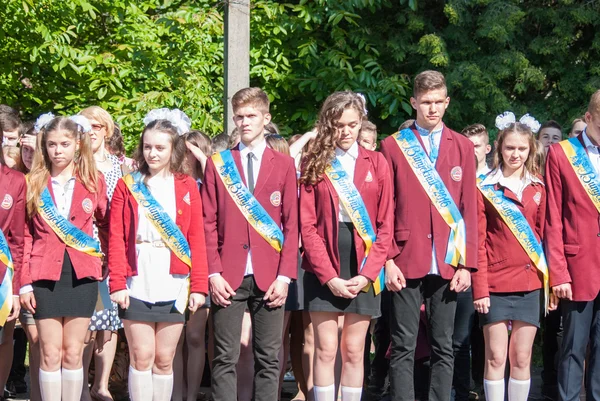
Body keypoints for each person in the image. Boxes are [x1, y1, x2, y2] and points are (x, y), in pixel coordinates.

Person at [380, 70, 477, 401]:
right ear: (413, 102)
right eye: (426, 103)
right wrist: (388, 259)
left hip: (449, 260)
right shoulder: (392, 146)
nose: (432, 109)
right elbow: (386, 207)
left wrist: (467, 264)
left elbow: (469, 208)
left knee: (443, 344)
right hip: (405, 256)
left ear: (447, 102)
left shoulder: (463, 146)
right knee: (403, 343)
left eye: (438, 102)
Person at [201, 87, 299, 401]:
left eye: (251, 116)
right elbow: (207, 223)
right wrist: (213, 273)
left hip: (270, 275)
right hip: (227, 274)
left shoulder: (283, 164)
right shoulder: (219, 163)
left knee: (269, 358)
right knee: (224, 357)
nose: (244, 122)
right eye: (239, 116)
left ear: (265, 118)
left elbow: (292, 224)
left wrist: (285, 277)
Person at [108, 109, 208, 401]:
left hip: (173, 277)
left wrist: (199, 286)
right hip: (137, 276)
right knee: (141, 355)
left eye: (160, 148)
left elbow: (196, 239)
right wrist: (117, 283)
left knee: (165, 358)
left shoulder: (188, 186)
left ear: (173, 149)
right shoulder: (128, 186)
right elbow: (115, 237)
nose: (152, 153)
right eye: (148, 146)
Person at [300, 90, 393, 401]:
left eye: (353, 125)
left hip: (364, 261)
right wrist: (328, 276)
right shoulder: (314, 161)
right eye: (339, 125)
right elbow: (307, 226)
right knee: (325, 348)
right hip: (324, 259)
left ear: (361, 123)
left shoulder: (378, 162)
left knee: (354, 350)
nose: (346, 132)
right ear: (328, 124)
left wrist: (368, 274)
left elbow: (385, 225)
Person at [19, 115, 109, 401]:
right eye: (51, 145)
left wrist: (104, 259)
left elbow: (107, 223)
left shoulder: (94, 180)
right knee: (48, 351)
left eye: (64, 144)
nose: (58, 151)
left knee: (73, 351)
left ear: (77, 144)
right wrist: (23, 284)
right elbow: (24, 237)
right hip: (43, 274)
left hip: (82, 275)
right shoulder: (32, 182)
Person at [473, 112, 552, 401]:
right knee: (495, 356)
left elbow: (546, 238)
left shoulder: (540, 186)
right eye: (509, 148)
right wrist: (479, 288)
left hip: (530, 284)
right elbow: (478, 242)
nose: (515, 154)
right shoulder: (484, 187)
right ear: (498, 148)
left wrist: (551, 283)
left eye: (521, 148)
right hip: (493, 285)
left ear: (530, 149)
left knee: (521, 356)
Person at [545, 89, 600, 401]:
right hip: (577, 267)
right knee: (573, 350)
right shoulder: (561, 154)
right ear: (588, 118)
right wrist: (559, 273)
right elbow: (553, 218)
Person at [76, 106, 123, 401]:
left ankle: (101, 384)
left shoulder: (122, 165)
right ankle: (80, 384)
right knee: (85, 321)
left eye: (97, 126)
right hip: (83, 246)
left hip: (112, 248)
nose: (91, 131)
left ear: (107, 130)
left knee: (108, 318)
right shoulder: (74, 163)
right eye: (86, 126)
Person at [172, 129, 212, 401]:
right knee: (174, 337)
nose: (187, 157)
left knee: (196, 337)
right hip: (174, 265)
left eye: (192, 151)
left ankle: (191, 393)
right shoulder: (170, 182)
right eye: (183, 151)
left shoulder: (210, 183)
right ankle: (174, 393)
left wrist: (204, 159)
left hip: (203, 265)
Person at [0, 119, 26, 401]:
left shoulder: (15, 180)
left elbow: (17, 240)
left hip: (2, 275)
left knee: (4, 339)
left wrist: (16, 289)